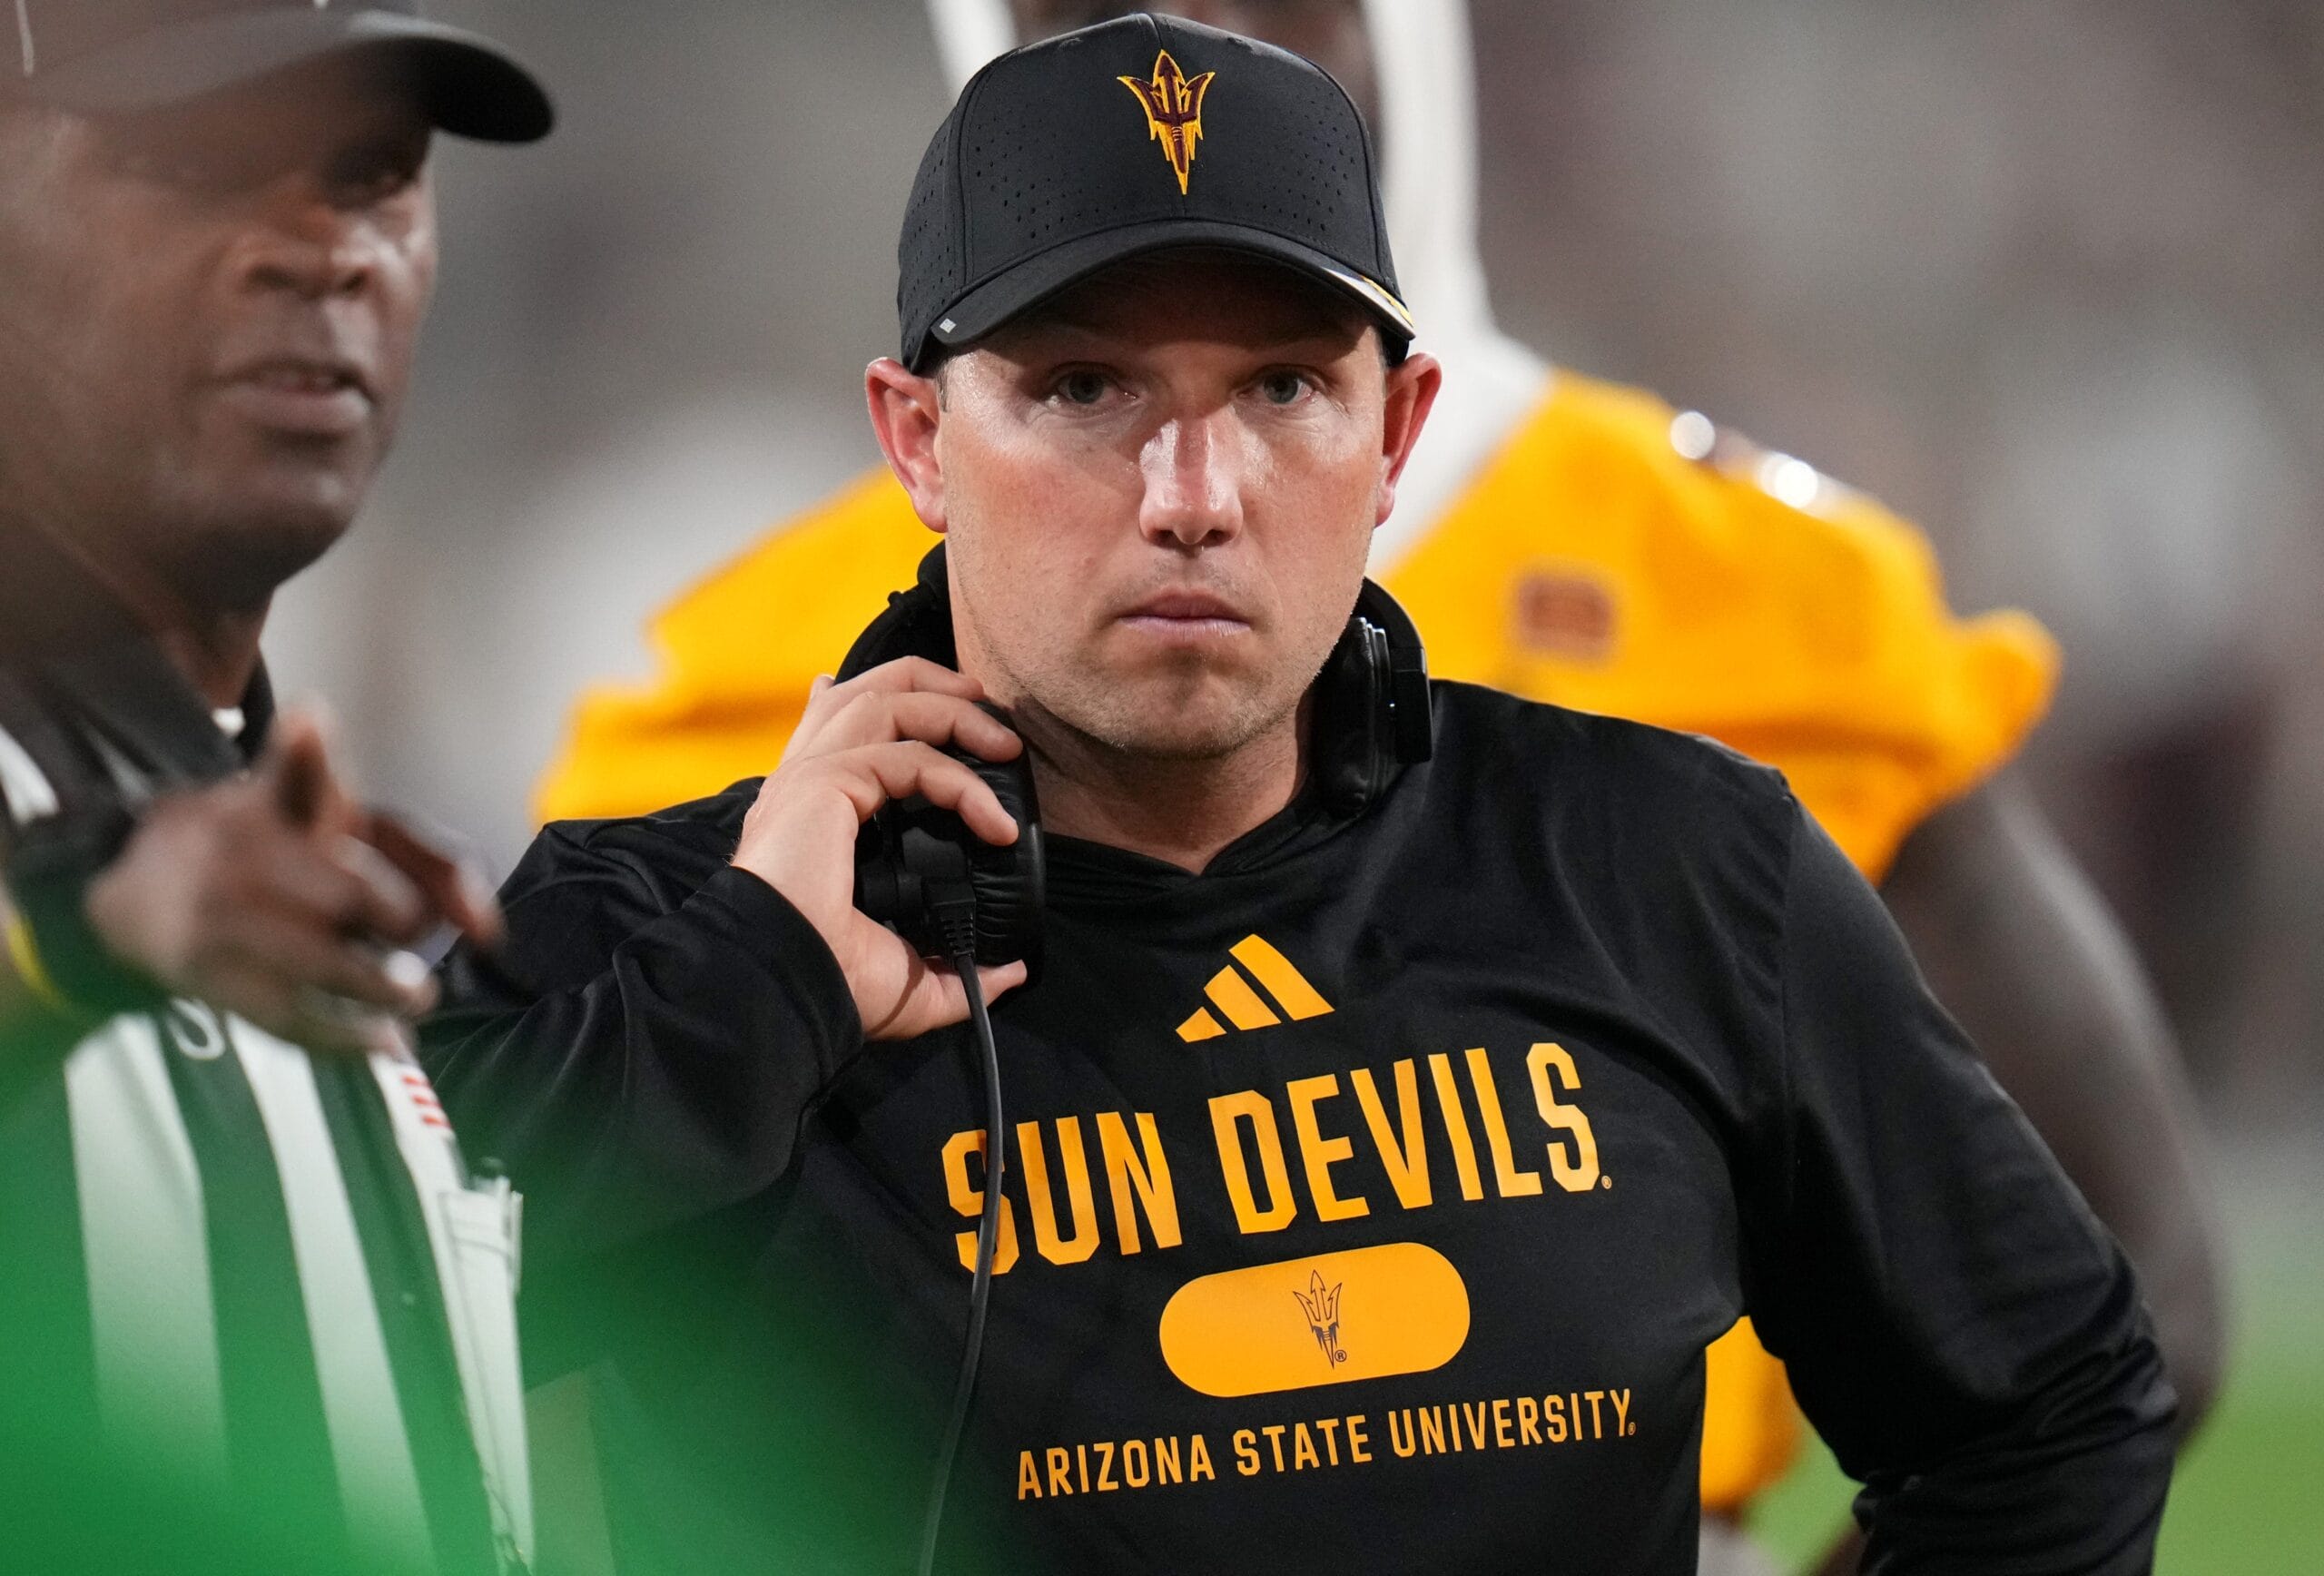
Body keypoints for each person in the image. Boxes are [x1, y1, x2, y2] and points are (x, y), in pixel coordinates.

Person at [428, 16, 2175, 1572]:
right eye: (1084, 387)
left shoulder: (1669, 863)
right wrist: (754, 988)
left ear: (1397, 435)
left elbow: (2059, 1407)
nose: (1194, 492)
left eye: (1281, 387)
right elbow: (291, 1383)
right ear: (917, 439)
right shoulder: (657, 931)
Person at [0, 4, 550, 1570]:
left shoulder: (267, 828)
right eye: (191, 165)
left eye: (375, 172)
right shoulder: (115, 884)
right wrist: (75, 931)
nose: (323, 249)